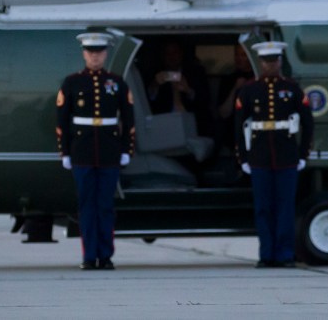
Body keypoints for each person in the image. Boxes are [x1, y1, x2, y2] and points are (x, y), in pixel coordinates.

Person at [56, 32, 135, 270]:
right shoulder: (72, 82)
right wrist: (65, 152)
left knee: (105, 206)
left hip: (109, 150)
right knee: (86, 206)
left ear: (106, 53)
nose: (95, 56)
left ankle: (106, 255)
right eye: (91, 52)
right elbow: (62, 119)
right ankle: (89, 256)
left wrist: (126, 149)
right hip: (82, 150)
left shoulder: (117, 82)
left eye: (99, 52)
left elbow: (128, 118)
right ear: (84, 54)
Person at [234, 41, 314, 268]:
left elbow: (308, 123)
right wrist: (243, 158)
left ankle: (285, 255)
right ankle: (266, 254)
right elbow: (239, 126)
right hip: (259, 158)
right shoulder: (249, 90)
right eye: (267, 61)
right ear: (260, 62)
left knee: (285, 208)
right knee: (263, 208)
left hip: (286, 157)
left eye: (274, 60)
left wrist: (302, 154)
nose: (271, 65)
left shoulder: (292, 88)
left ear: (280, 61)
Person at [147, 40, 212, 136]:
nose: (171, 57)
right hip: (164, 123)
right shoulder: (155, 73)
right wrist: (155, 84)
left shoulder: (196, 72)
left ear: (181, 54)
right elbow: (147, 101)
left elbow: (205, 100)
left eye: (175, 52)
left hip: (192, 121)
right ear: (163, 56)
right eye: (167, 53)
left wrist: (188, 90)